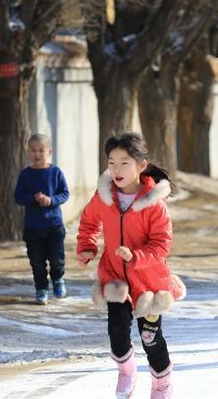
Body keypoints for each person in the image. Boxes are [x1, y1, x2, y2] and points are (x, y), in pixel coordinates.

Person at [76, 132, 186, 399]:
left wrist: (135, 257)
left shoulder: (154, 204)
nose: (116, 169)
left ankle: (161, 383)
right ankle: (126, 371)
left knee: (151, 339)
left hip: (148, 282)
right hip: (115, 278)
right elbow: (89, 222)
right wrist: (87, 247)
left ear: (141, 165)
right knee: (117, 332)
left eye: (124, 162)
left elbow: (162, 244)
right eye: (112, 162)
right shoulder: (104, 197)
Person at [14, 134, 69, 305]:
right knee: (36, 261)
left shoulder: (56, 172)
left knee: (56, 258)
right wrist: (34, 198)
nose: (37, 154)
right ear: (28, 152)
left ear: (49, 152)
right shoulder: (25, 175)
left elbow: (65, 193)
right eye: (33, 151)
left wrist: (51, 200)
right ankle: (41, 289)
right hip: (33, 227)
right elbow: (18, 197)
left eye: (41, 150)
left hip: (54, 225)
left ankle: (58, 280)